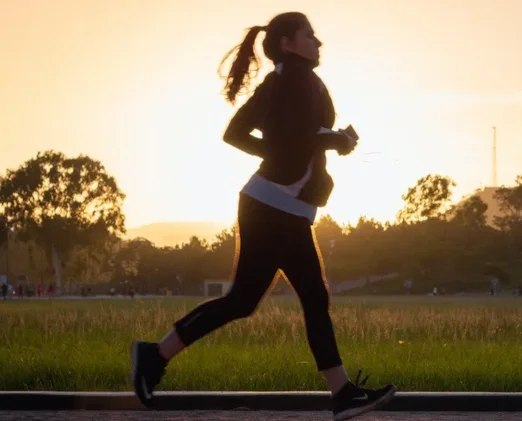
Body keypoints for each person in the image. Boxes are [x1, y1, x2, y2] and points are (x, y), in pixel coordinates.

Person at [130, 12, 396, 421]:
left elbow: (247, 135)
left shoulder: (286, 82)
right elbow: (291, 138)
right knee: (292, 297)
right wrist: (334, 140)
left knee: (264, 299)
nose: (318, 42)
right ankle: (340, 394)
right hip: (271, 207)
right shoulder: (290, 82)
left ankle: (156, 355)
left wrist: (296, 150)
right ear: (289, 43)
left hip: (279, 205)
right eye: (310, 35)